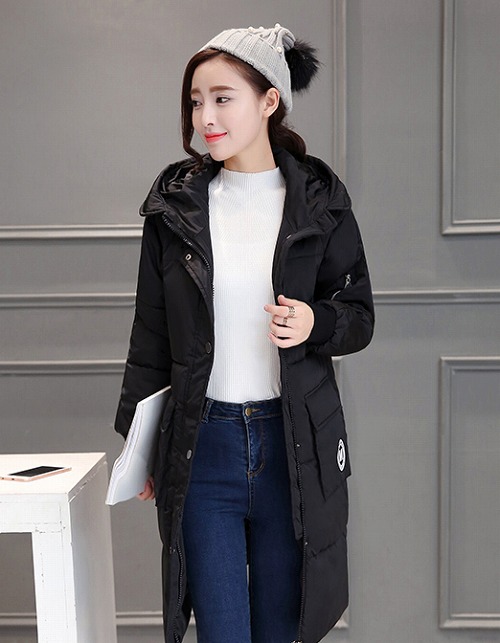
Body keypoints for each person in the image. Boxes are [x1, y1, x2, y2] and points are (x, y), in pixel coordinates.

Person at [114, 24, 374, 643]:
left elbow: (359, 315)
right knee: (222, 632)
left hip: (292, 444)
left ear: (268, 101)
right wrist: (139, 444)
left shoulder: (320, 200)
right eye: (195, 101)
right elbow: (150, 332)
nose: (205, 117)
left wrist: (314, 322)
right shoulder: (176, 206)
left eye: (222, 98)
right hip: (204, 446)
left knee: (282, 628)